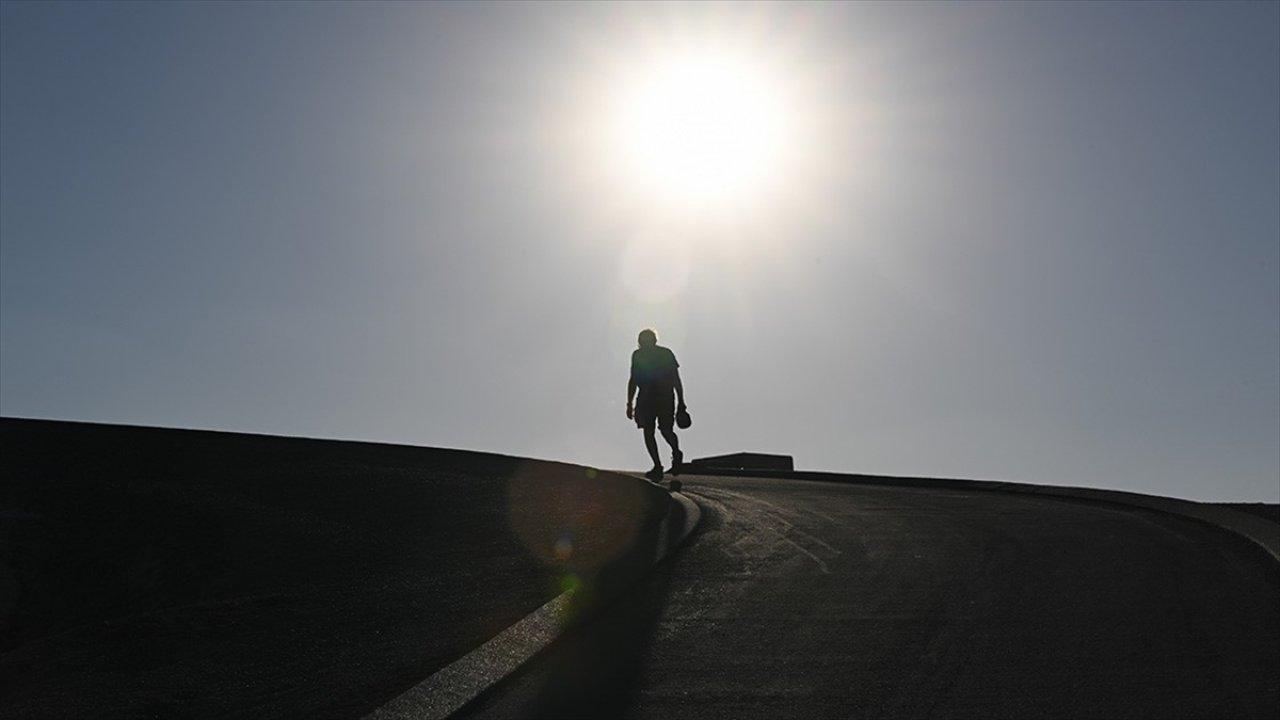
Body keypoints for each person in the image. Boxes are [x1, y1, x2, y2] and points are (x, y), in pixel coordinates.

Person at [626, 328, 686, 481]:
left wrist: (681, 402)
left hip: (659, 397)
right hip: (653, 397)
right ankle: (660, 463)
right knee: (653, 430)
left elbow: (675, 379)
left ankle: (670, 456)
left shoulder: (663, 353)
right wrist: (629, 403)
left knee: (659, 430)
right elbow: (633, 379)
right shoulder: (641, 355)